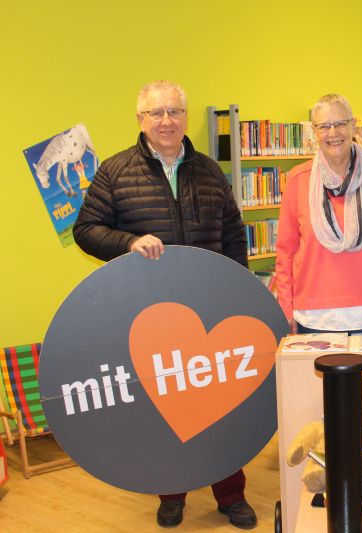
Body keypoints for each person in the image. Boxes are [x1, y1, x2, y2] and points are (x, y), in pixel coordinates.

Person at [73, 80, 256, 530]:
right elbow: (86, 229)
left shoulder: (211, 172)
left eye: (174, 112)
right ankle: (170, 493)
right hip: (149, 317)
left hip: (209, 314)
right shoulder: (115, 172)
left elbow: (233, 237)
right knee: (161, 409)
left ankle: (231, 494)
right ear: (141, 119)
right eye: (156, 113)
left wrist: (238, 292)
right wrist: (130, 241)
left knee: (220, 407)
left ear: (185, 117)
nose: (166, 121)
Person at [275, 94, 362, 335]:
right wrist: (285, 307)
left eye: (340, 124)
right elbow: (286, 251)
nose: (333, 133)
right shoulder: (297, 180)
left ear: (353, 125)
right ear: (314, 132)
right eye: (324, 126)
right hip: (313, 317)